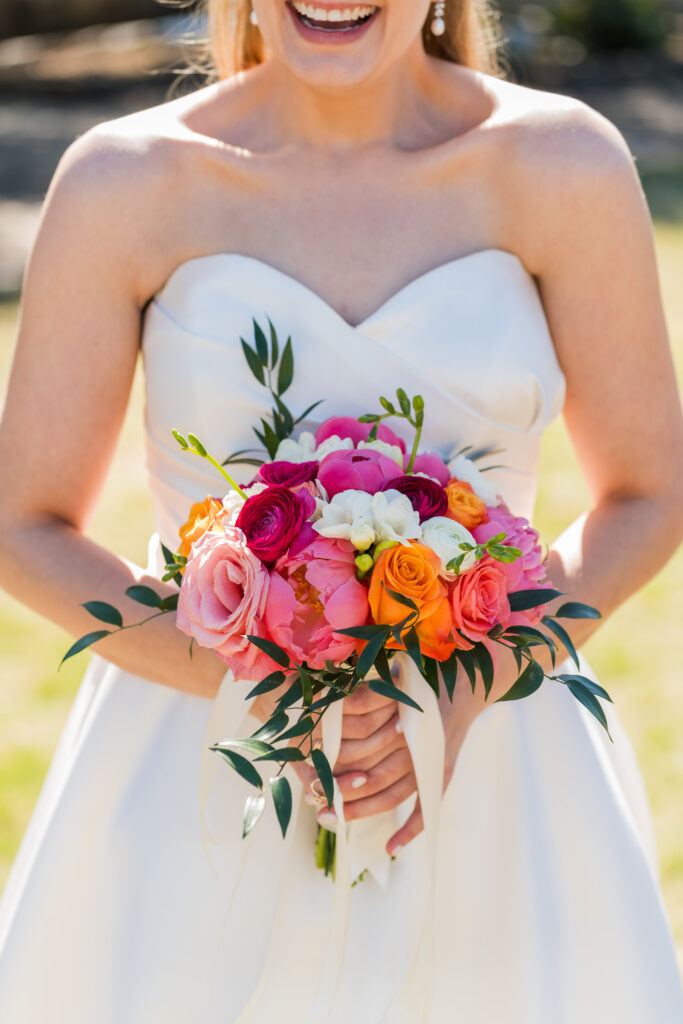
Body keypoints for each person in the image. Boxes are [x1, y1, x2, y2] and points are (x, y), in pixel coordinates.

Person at [0, 0, 682, 1020]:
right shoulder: (122, 182)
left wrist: (457, 690)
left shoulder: (560, 165)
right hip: (201, 774)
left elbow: (649, 491)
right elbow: (24, 522)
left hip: (495, 767)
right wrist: (257, 679)